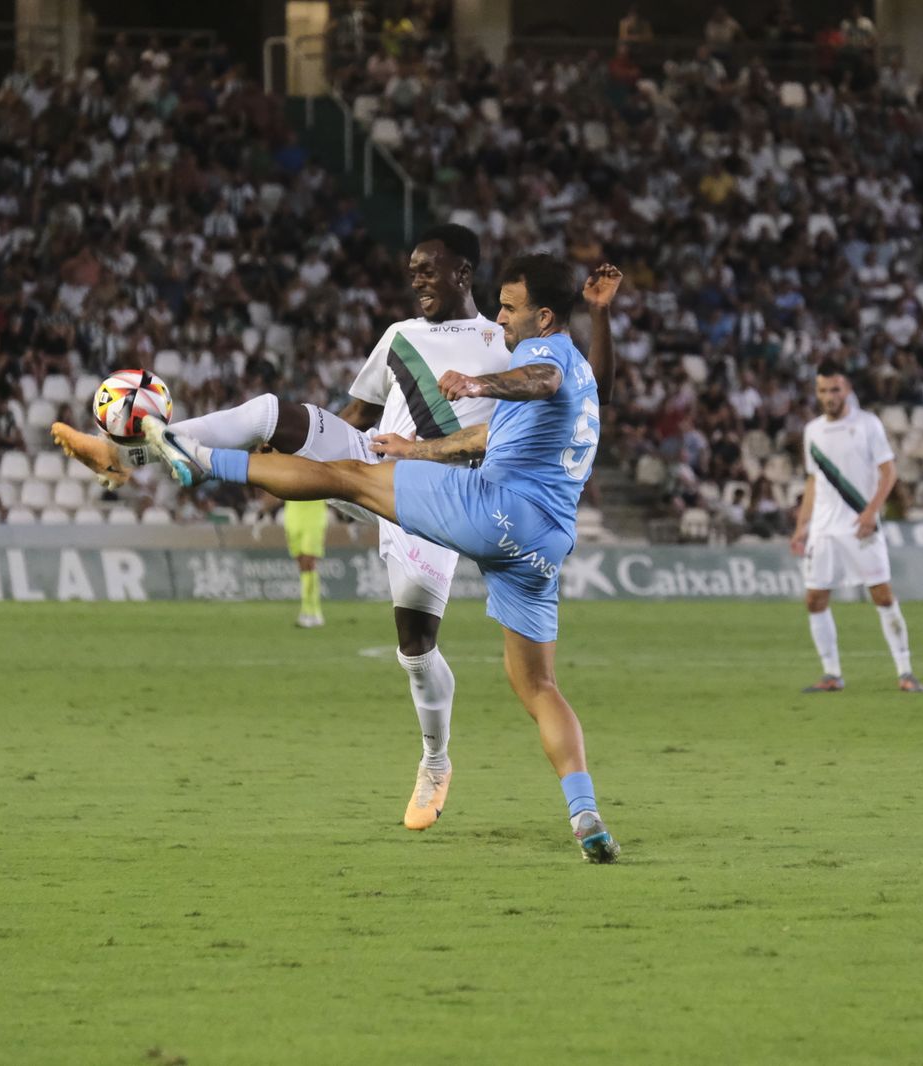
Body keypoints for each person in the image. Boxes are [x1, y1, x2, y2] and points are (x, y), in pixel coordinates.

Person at [129, 254, 623, 863]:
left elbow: (537, 382)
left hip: (496, 509)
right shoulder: (580, 369)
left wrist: (477, 384)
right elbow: (505, 427)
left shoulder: (538, 359)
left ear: (544, 316)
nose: (500, 318)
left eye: (510, 306)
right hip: (545, 545)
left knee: (346, 477)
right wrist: (422, 448)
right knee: (539, 685)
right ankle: (585, 814)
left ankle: (202, 463)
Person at [55, 225, 519, 832]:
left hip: (439, 502)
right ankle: (124, 455)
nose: (416, 279)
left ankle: (435, 762)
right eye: (411, 270)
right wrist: (306, 451)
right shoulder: (399, 337)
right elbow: (358, 414)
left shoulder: (504, 345)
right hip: (373, 463)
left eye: (428, 270)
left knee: (415, 646)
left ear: (463, 273)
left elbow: (536, 414)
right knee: (272, 412)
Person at [789, 364, 923, 694]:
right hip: (823, 529)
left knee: (881, 594)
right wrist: (801, 525)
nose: (829, 397)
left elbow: (889, 473)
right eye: (823, 390)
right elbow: (813, 480)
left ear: (847, 389)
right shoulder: (813, 431)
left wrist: (870, 513)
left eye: (835, 390)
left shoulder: (867, 425)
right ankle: (832, 674)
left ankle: (906, 671)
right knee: (814, 599)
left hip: (860, 525)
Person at [284, 498, 328, 628]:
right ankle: (313, 611)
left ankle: (309, 611)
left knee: (308, 562)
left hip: (313, 516)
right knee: (302, 564)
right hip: (293, 516)